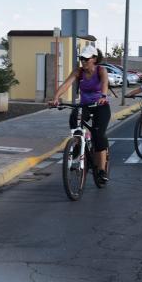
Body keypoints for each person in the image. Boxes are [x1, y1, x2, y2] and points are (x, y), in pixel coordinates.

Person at [50, 45, 110, 182]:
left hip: (100, 105)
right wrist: (56, 98)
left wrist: (104, 96)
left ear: (94, 59)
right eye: (81, 58)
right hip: (85, 105)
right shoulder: (79, 72)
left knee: (99, 135)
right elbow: (66, 84)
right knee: (73, 117)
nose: (83, 61)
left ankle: (101, 170)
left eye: (86, 59)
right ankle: (77, 143)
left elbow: (105, 83)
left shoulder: (101, 70)